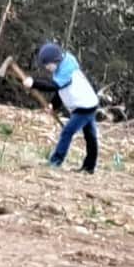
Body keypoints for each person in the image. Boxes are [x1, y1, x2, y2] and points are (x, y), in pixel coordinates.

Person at [27, 41, 101, 173]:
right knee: (90, 137)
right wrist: (54, 105)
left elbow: (53, 86)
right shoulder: (63, 65)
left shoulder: (67, 69)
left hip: (84, 107)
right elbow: (62, 91)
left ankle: (55, 161)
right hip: (88, 104)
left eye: (48, 65)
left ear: (56, 60)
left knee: (67, 132)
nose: (47, 68)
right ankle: (89, 167)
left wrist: (34, 83)